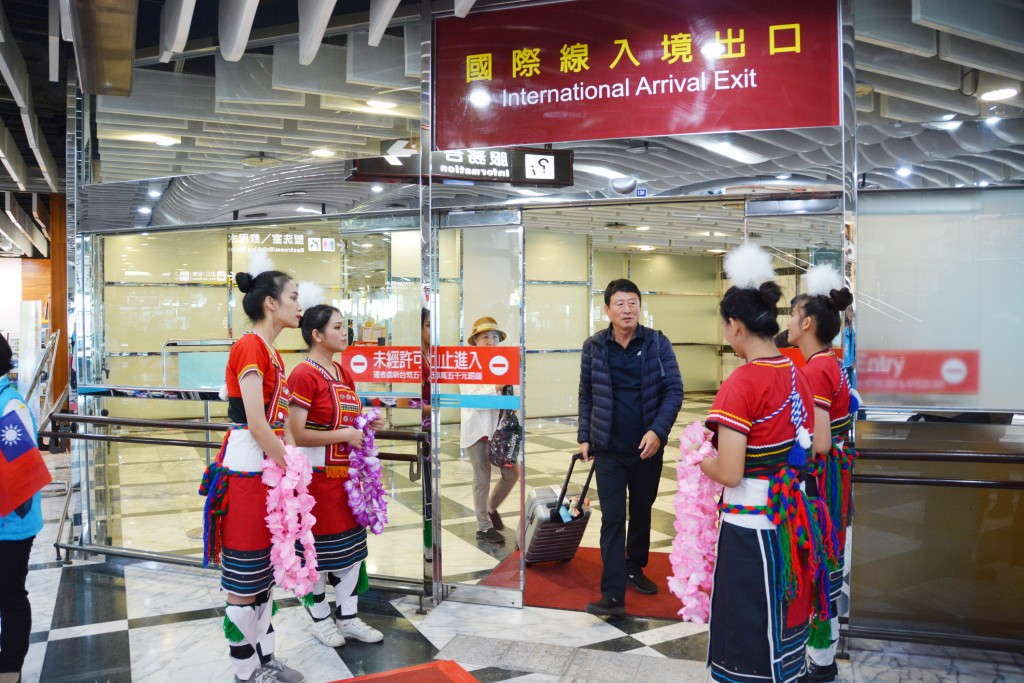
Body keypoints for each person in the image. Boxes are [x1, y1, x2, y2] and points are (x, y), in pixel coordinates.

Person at [700, 244, 815, 683]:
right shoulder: (795, 372)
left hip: (751, 524)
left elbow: (730, 472)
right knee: (785, 609)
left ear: (736, 326)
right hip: (791, 517)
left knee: (748, 620)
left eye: (726, 325)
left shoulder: (741, 382)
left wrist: (700, 461)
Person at [200, 267, 304, 683]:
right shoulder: (250, 347)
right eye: (294, 296)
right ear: (271, 303)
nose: (300, 305)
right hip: (247, 472)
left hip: (265, 471)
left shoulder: (271, 351)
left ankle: (266, 659)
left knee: (263, 572)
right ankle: (246, 670)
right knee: (244, 575)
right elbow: (258, 425)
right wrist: (291, 465)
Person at [578, 278, 683, 617]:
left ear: (640, 306)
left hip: (646, 448)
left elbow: (674, 391)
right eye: (620, 304)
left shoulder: (656, 343)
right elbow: (586, 394)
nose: (627, 309)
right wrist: (584, 435)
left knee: (641, 510)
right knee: (612, 518)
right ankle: (612, 593)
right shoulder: (594, 347)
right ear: (607, 310)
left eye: (633, 303)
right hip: (607, 447)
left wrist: (658, 431)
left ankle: (635, 567)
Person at [288, 304, 385, 647]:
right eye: (338, 327)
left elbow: (347, 420)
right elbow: (294, 434)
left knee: (353, 552)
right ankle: (320, 619)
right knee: (316, 554)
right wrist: (344, 435)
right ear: (316, 334)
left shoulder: (343, 373)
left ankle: (348, 617)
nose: (345, 333)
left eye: (345, 327)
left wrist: (366, 423)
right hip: (314, 480)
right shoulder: (303, 374)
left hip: (347, 480)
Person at [787, 266, 856, 683]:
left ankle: (821, 661)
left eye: (792, 315)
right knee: (827, 562)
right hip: (834, 477)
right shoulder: (829, 362)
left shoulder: (815, 369)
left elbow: (822, 442)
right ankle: (822, 656)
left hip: (822, 480)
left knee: (820, 562)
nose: (788, 323)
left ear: (808, 323)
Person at [0, 335, 43, 683]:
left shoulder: (10, 406)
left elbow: (20, 474)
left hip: (11, 524)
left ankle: (10, 667)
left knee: (10, 594)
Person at [460, 316, 519, 545]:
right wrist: (496, 388)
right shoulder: (467, 363)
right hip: (478, 429)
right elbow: (472, 398)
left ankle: (491, 507)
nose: (491, 340)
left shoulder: (503, 362)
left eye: (495, 337)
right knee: (482, 477)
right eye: (485, 336)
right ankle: (484, 526)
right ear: (475, 340)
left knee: (512, 473)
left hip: (500, 430)